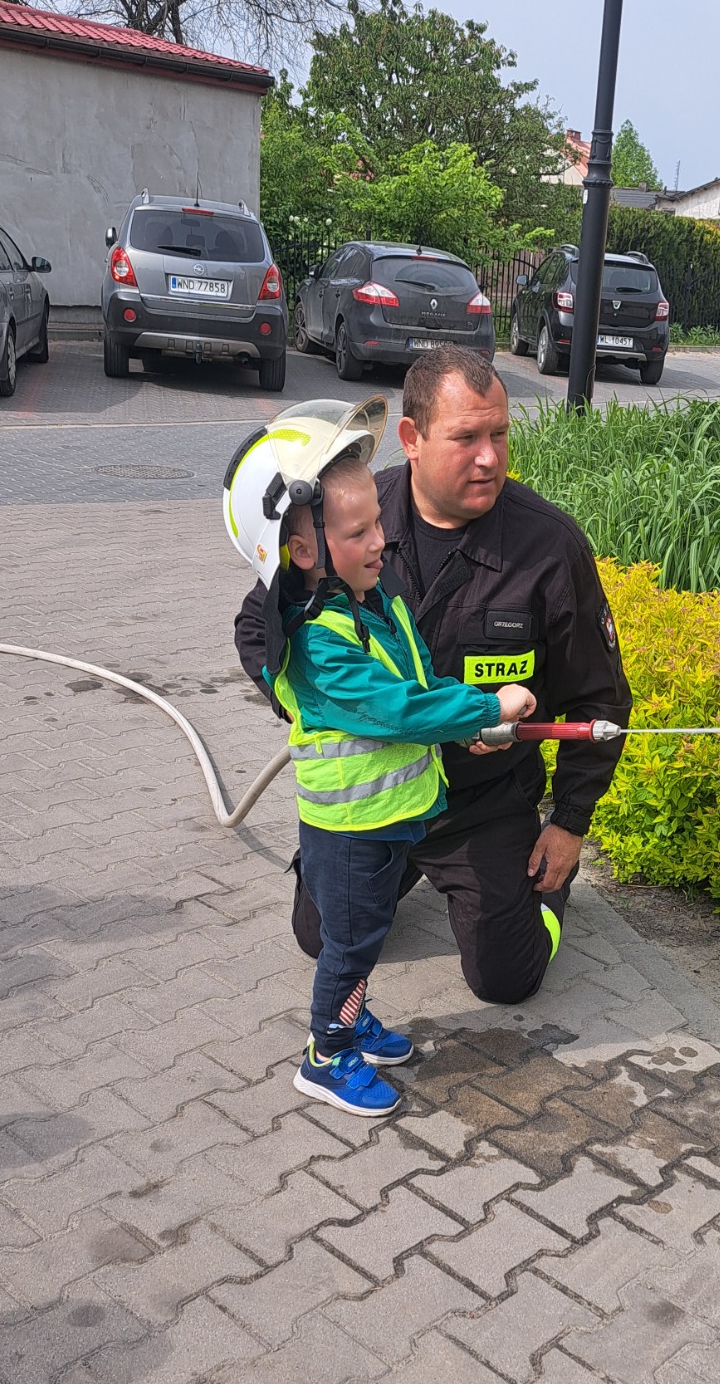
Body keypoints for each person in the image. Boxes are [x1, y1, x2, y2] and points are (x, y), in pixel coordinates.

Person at [235, 347, 632, 1006]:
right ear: (412, 438)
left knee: (506, 979)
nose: (490, 457)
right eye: (466, 438)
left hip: (481, 803)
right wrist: (322, 704)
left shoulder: (548, 547)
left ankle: (543, 897)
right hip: (378, 803)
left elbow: (600, 696)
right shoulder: (348, 515)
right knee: (319, 939)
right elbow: (259, 628)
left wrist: (568, 823)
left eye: (499, 434)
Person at [223, 395, 536, 1117]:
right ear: (303, 551)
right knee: (351, 943)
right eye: (360, 531)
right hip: (350, 833)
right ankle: (326, 1055)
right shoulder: (319, 644)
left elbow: (417, 683)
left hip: (391, 819)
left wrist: (460, 715)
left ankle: (353, 1020)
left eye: (378, 524)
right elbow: (396, 708)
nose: (381, 542)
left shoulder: (368, 603)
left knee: (360, 939)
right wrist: (487, 708)